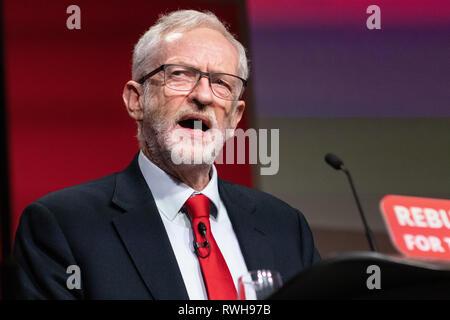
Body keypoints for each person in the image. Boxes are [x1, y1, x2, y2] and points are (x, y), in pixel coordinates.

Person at [13, 9, 320, 300]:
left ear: (236, 117)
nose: (202, 96)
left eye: (221, 83)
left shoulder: (286, 226)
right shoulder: (63, 226)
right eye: (180, 75)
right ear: (136, 100)